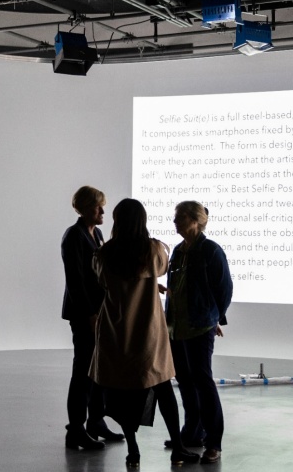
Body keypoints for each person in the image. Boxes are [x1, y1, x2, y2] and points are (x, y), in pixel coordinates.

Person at [90, 198, 201, 468]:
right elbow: (161, 268)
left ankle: (133, 450)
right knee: (163, 386)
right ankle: (178, 447)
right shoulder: (153, 250)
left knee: (123, 394)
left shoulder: (105, 254)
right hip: (148, 331)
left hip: (116, 332)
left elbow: (102, 281)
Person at [164, 201, 233, 464]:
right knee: (184, 380)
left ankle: (213, 442)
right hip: (176, 327)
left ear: (195, 220)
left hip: (200, 326)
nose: (175, 222)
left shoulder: (211, 250)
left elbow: (224, 289)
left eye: (180, 217)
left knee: (203, 382)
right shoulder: (178, 251)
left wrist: (213, 316)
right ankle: (192, 433)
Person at [60, 186, 123, 450]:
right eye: (98, 206)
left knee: (98, 370)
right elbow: (76, 281)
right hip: (85, 314)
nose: (103, 211)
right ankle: (75, 429)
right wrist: (90, 315)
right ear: (85, 208)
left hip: (99, 312)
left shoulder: (95, 233)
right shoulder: (73, 236)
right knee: (83, 372)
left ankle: (95, 422)